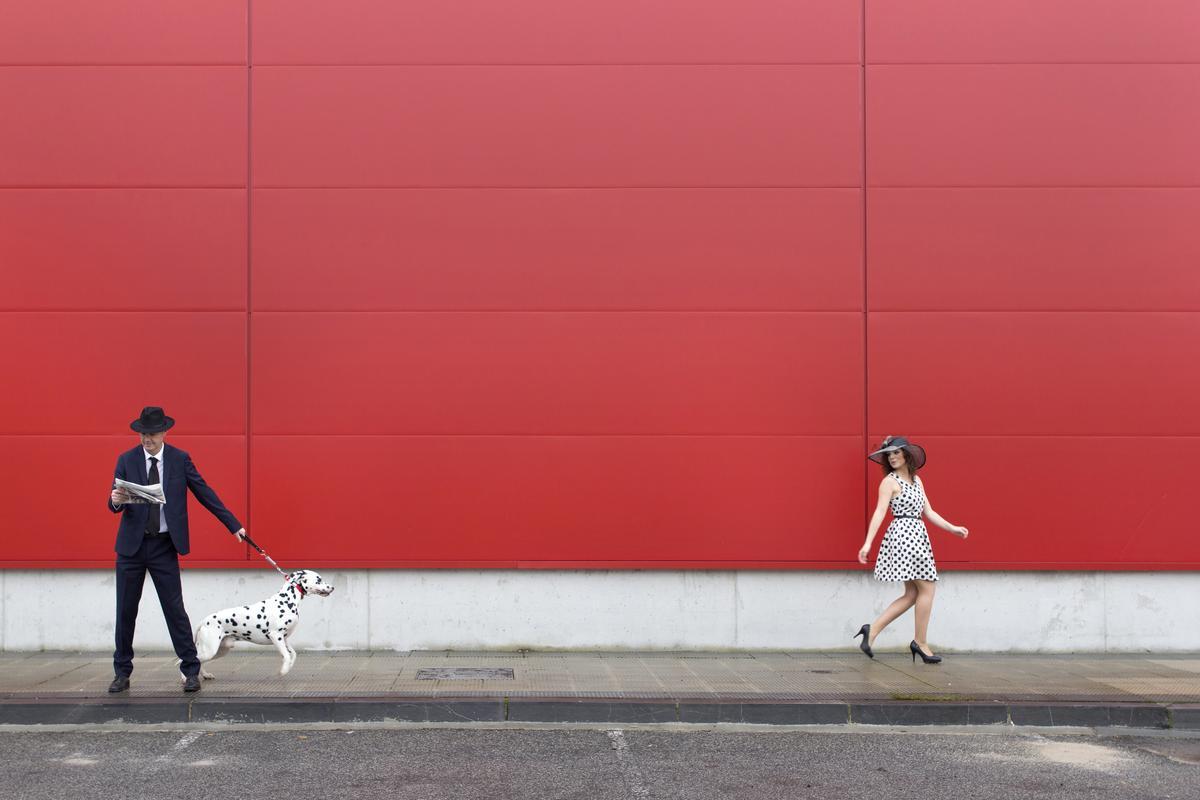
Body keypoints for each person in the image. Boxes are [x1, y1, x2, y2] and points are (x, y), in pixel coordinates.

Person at [106, 406, 246, 693]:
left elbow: (204, 491)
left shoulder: (179, 460)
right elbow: (113, 504)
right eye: (143, 433)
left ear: (164, 433)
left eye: (153, 434)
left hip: (164, 546)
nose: (147, 439)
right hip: (131, 549)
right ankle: (122, 672)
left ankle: (190, 670)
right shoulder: (126, 459)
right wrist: (116, 499)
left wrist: (233, 525)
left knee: (175, 610)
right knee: (125, 612)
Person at [854, 436, 968, 663]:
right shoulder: (889, 481)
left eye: (896, 452)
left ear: (907, 454)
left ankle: (872, 630)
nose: (892, 457)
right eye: (889, 454)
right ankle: (920, 642)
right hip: (904, 536)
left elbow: (929, 511)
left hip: (917, 534)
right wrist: (868, 543)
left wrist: (952, 528)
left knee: (913, 593)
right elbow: (879, 512)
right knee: (928, 588)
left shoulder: (917, 480)